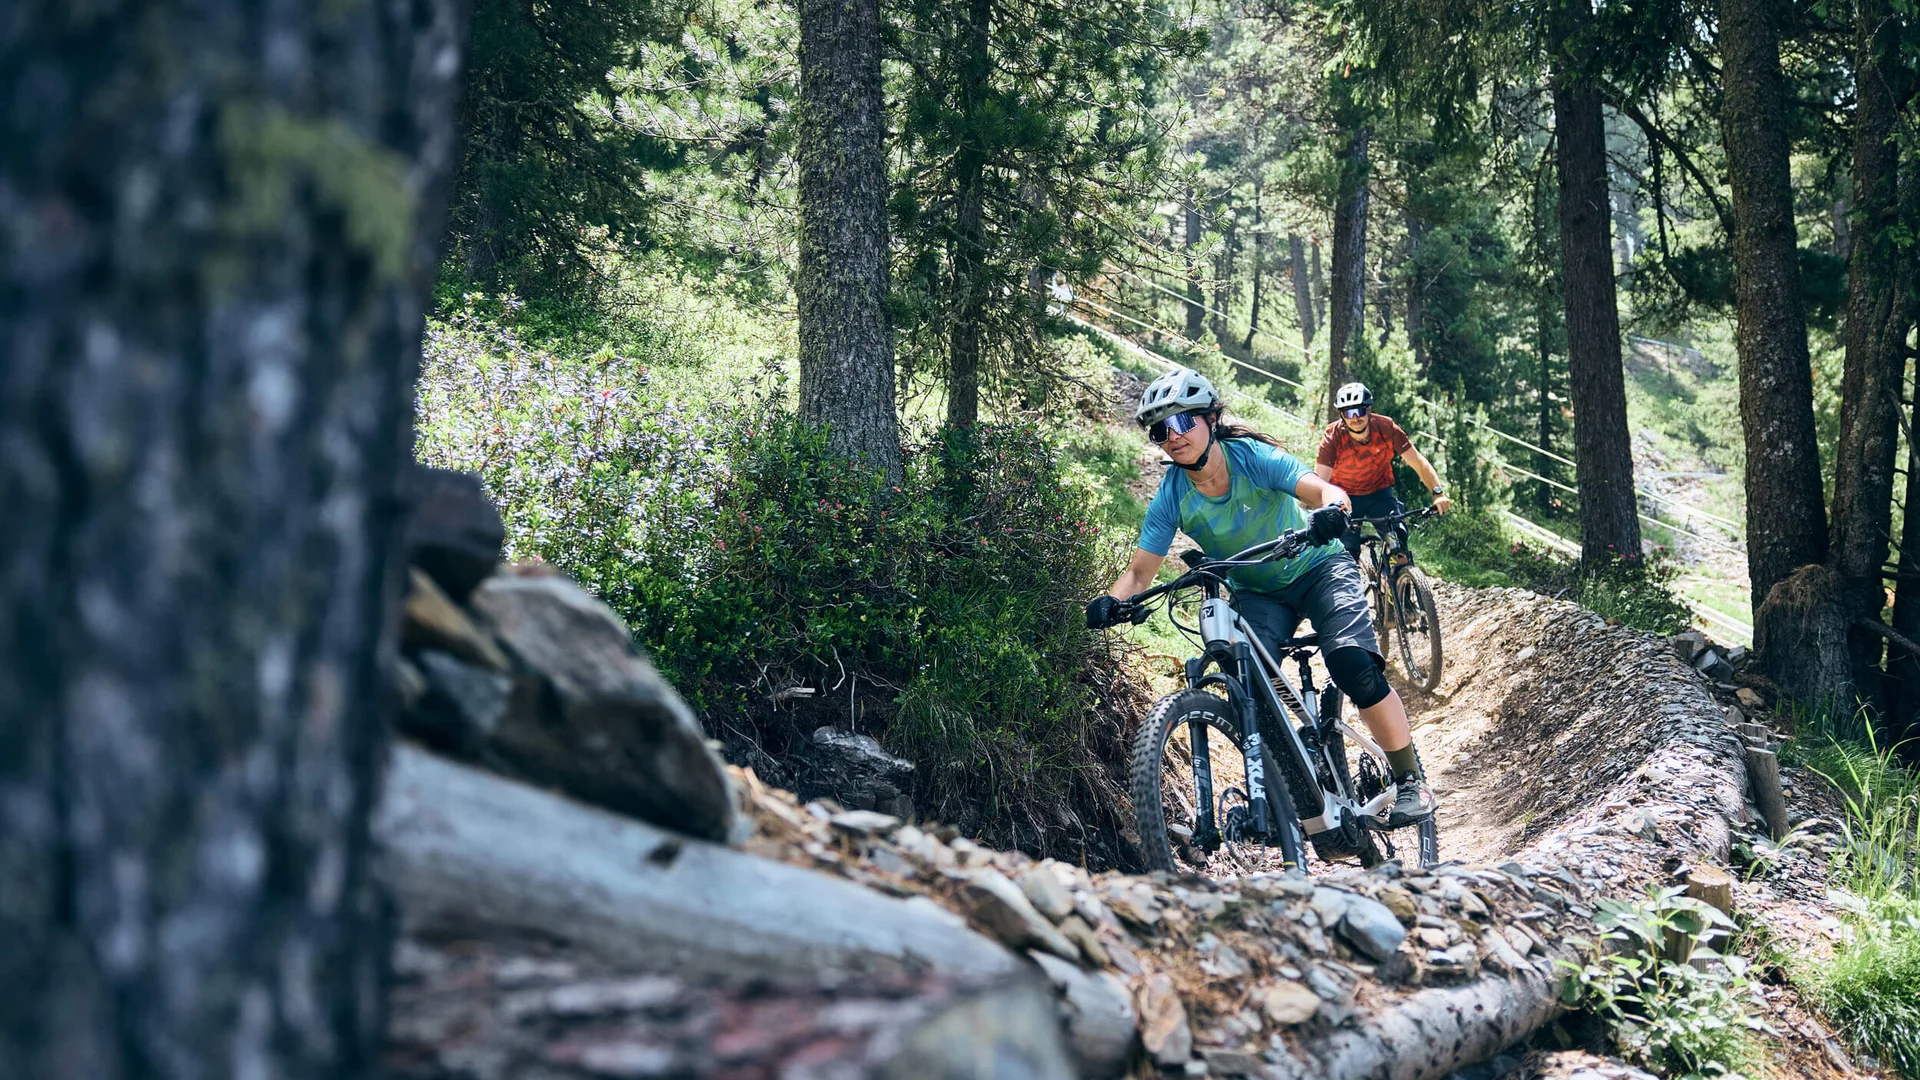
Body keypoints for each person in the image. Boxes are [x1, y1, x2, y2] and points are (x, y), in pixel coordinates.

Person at [1087, 367, 1436, 825]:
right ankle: (1288, 788)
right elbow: (1138, 573)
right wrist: (1110, 602)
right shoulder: (1172, 493)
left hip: (1319, 567)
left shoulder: (1251, 457)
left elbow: (1324, 488)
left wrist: (1332, 509)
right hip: (1256, 591)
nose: (1172, 436)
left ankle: (1410, 779)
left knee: (1352, 663)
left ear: (1212, 419)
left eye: (1182, 421)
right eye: (1160, 430)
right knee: (1247, 684)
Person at [1316, 382, 1451, 561]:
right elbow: (1320, 482)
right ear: (1342, 415)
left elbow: (1418, 462)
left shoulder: (1386, 428)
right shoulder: (1332, 437)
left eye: (1360, 410)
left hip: (1378, 492)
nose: (1355, 418)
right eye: (1349, 412)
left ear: (1369, 409)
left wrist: (1438, 492)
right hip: (1344, 497)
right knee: (1346, 554)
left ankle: (1396, 578)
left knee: (1397, 540)